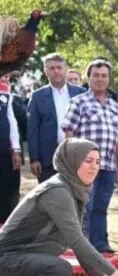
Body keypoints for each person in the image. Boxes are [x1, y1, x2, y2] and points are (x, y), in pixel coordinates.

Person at [0, 139, 118, 276]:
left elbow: (78, 241)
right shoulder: (57, 190)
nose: (94, 167)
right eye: (88, 161)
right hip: (6, 262)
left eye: (98, 162)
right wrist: (111, 272)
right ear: (72, 161)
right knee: (60, 269)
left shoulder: (74, 190)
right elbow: (76, 240)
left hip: (29, 266)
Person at [61, 59, 118, 253]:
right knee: (85, 207)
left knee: (101, 207)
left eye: (104, 76)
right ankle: (81, 247)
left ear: (109, 79)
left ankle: (100, 245)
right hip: (85, 165)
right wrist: (72, 161)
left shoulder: (114, 106)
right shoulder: (79, 102)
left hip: (108, 166)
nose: (100, 79)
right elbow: (69, 131)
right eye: (96, 75)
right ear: (88, 78)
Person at [27, 53, 87, 183]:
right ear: (45, 71)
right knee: (50, 194)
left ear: (66, 69)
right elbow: (32, 130)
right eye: (52, 68)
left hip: (77, 157)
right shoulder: (37, 96)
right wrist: (34, 159)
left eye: (59, 67)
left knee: (76, 194)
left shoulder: (81, 93)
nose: (56, 71)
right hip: (47, 159)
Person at [0, 74, 22, 224]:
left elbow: (11, 120)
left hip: (5, 152)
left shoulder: (5, 91)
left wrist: (16, 149)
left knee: (7, 193)